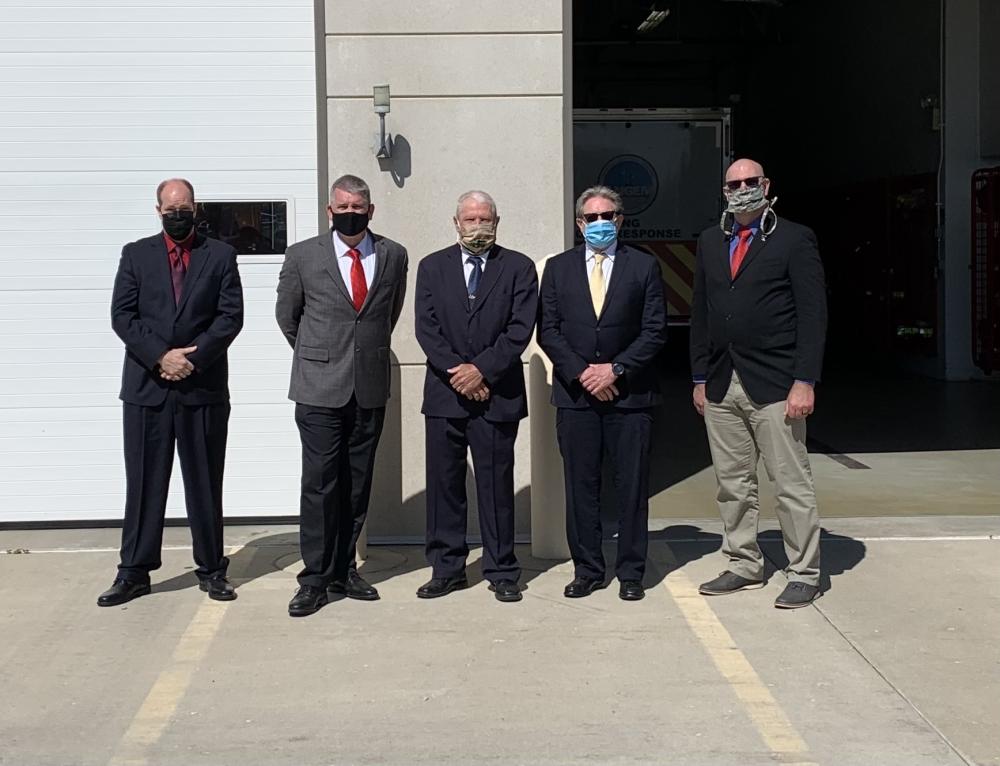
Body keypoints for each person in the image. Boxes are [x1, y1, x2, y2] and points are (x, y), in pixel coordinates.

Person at [690, 157, 828, 609]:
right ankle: (743, 562)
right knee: (732, 482)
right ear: (724, 190)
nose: (743, 188)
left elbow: (812, 315)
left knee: (790, 482)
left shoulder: (793, 238)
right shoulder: (712, 240)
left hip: (776, 382)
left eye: (751, 181)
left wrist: (804, 380)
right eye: (735, 183)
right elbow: (702, 314)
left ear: (766, 184)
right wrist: (698, 376)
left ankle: (804, 571)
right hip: (721, 380)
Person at [99, 178, 244, 607]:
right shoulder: (136, 254)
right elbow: (122, 316)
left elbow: (229, 317)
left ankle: (212, 569)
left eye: (185, 208)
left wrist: (191, 360)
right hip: (148, 389)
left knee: (204, 482)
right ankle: (134, 572)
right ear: (158, 210)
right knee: (144, 483)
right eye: (170, 208)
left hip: (202, 389)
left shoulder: (220, 255)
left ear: (195, 209)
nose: (178, 215)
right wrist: (161, 356)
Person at [276, 174, 408, 617]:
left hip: (368, 385)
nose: (350, 213)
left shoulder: (393, 255)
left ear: (371, 210)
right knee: (319, 484)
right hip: (318, 388)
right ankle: (313, 578)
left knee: (357, 483)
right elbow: (287, 317)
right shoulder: (302, 256)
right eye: (342, 207)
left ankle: (343, 567)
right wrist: (321, 356)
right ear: (329, 211)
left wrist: (358, 357)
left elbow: (387, 315)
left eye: (359, 207)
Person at [538, 185, 667, 602]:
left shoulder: (644, 267)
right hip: (576, 398)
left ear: (620, 220)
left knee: (631, 486)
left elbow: (654, 331)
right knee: (581, 486)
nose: (599, 224)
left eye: (606, 216)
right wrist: (583, 373)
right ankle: (588, 569)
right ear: (579, 223)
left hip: (630, 396)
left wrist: (615, 369)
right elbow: (550, 330)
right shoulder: (557, 269)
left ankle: (631, 572)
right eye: (590, 218)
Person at [414, 191, 538, 602]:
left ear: (498, 222)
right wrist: (459, 373)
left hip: (495, 395)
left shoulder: (518, 268)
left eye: (485, 219)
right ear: (456, 223)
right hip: (445, 395)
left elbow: (519, 329)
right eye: (470, 219)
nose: (478, 227)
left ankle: (502, 570)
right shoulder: (432, 267)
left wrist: (481, 370)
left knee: (496, 485)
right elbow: (427, 330)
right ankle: (447, 568)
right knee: (444, 487)